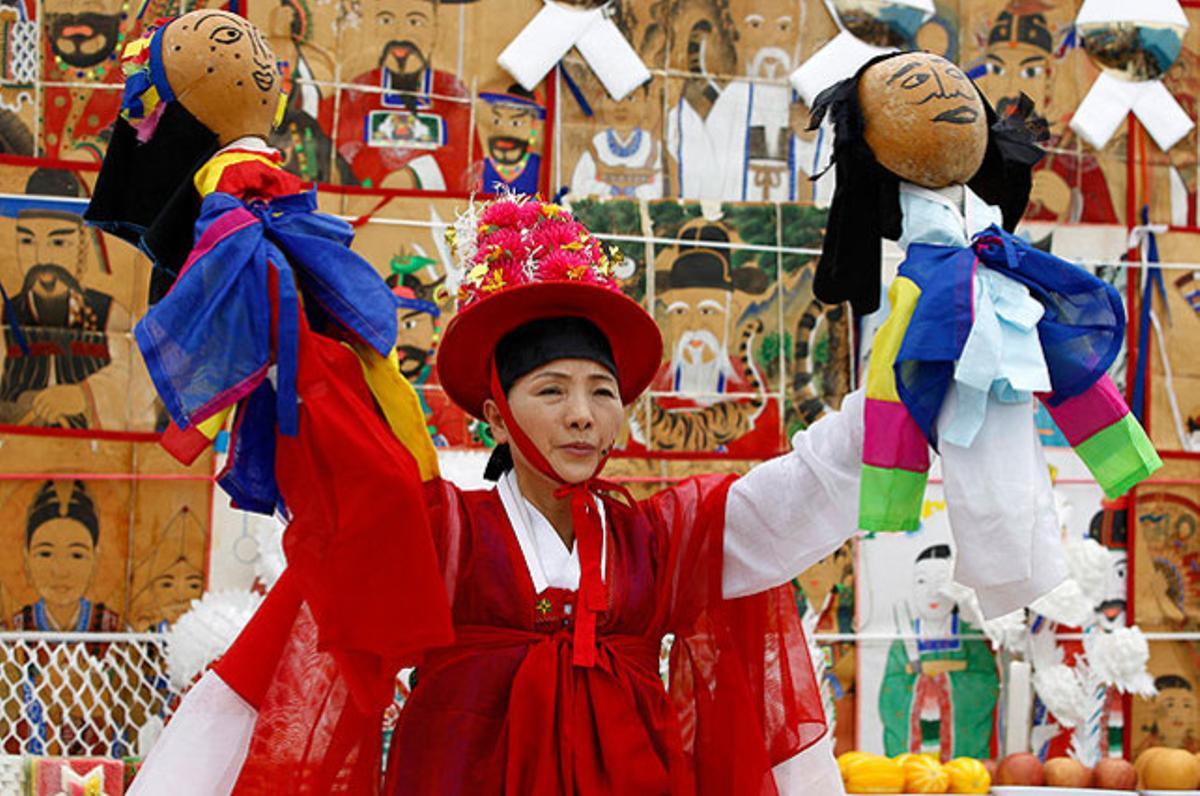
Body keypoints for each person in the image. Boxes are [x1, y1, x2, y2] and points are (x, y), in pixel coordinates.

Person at [132, 195, 868, 794]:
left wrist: (896, 394)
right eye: (551, 390)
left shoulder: (663, 539)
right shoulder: (446, 534)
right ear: (495, 415)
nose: (582, 414)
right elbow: (354, 466)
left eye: (602, 392)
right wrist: (283, 303)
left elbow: (804, 490)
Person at [879, 544, 999, 761]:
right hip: (919, 738)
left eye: (941, 582)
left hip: (960, 746)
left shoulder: (969, 636)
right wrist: (918, 686)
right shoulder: (903, 642)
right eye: (922, 581)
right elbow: (890, 691)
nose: (932, 592)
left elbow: (986, 682)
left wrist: (944, 681)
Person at [13, 480, 120, 633]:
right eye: (45, 554)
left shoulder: (114, 628)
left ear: (95, 559)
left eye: (76, 555)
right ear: (26, 558)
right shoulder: (12, 630)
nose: (61, 571)